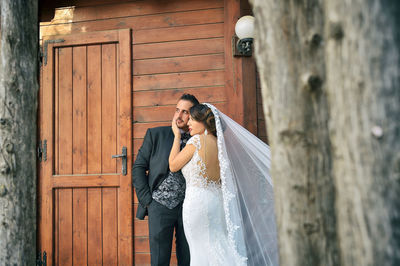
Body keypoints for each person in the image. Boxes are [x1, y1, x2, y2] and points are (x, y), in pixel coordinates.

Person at [169, 103, 279, 266]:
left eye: (192, 119)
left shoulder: (197, 141)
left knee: (201, 249)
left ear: (204, 122)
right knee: (218, 244)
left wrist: (177, 137)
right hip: (216, 202)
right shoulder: (220, 145)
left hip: (197, 204)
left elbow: (173, 165)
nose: (188, 123)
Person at [132, 94, 199, 266]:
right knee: (160, 260)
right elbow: (138, 167)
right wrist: (148, 201)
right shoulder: (156, 134)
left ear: (194, 115)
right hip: (159, 206)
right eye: (177, 110)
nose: (179, 115)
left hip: (189, 207)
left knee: (188, 259)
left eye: (185, 112)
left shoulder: (198, 139)